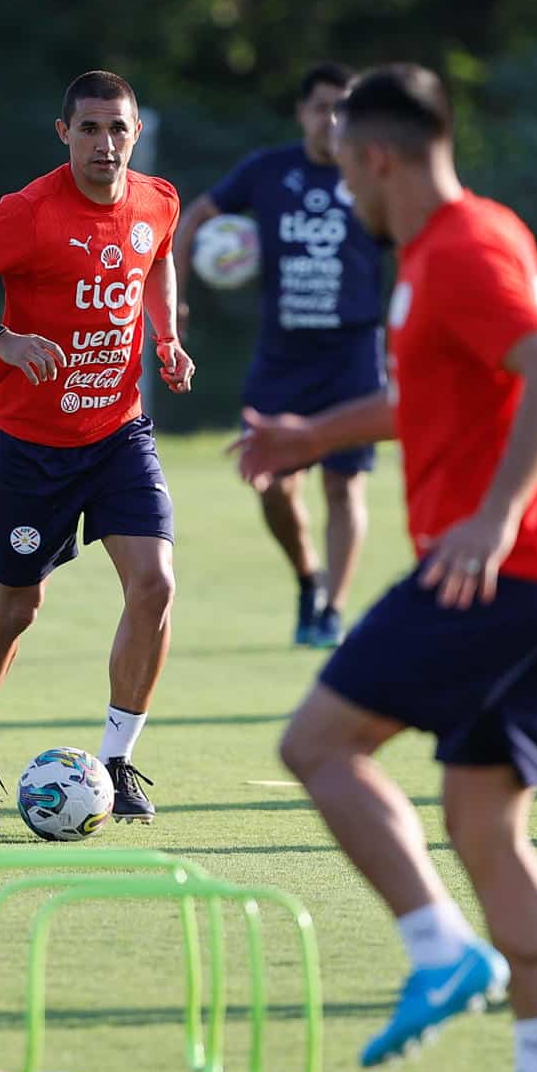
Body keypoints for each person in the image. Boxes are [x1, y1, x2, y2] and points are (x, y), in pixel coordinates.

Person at [237, 65, 537, 1072]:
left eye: (344, 162)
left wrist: (491, 519)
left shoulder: (464, 250)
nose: (337, 182)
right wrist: (312, 435)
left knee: (317, 744)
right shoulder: (467, 238)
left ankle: (439, 950)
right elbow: (433, 395)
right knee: (485, 822)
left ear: (379, 157)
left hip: (495, 569)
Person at [0, 70, 195, 830]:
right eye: (91, 128)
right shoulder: (28, 215)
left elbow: (160, 256)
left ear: (137, 133)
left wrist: (166, 338)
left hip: (117, 433)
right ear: (64, 133)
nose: (107, 143)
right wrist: (3, 338)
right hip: (31, 447)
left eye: (119, 129)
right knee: (15, 609)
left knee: (156, 586)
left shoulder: (157, 200)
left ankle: (117, 759)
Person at [175, 63, 385, 646]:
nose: (333, 119)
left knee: (345, 485)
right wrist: (176, 302)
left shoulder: (372, 173)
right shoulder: (269, 171)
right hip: (283, 356)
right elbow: (194, 220)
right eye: (322, 107)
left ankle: (332, 611)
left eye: (345, 107)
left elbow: (415, 242)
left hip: (354, 352)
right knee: (269, 481)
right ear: (303, 113)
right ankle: (307, 576)